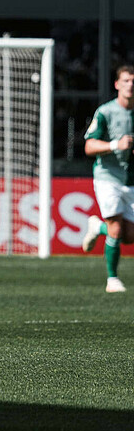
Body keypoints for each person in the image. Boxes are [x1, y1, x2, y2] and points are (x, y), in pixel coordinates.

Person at [81, 65, 134, 293]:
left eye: (133, 81)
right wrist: (115, 145)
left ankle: (96, 227)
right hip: (107, 176)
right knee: (115, 227)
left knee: (128, 236)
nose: (130, 85)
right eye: (126, 80)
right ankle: (112, 279)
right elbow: (89, 145)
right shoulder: (106, 112)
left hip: (130, 178)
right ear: (117, 84)